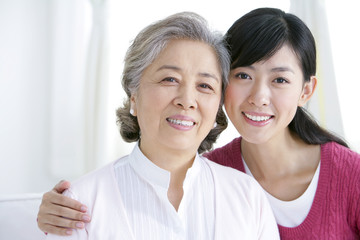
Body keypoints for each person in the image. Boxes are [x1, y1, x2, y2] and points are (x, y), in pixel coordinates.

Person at [38, 8, 360, 239]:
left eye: (279, 79)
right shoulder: (85, 204)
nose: (260, 96)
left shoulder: (249, 194)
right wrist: (54, 208)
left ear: (306, 91)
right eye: (244, 75)